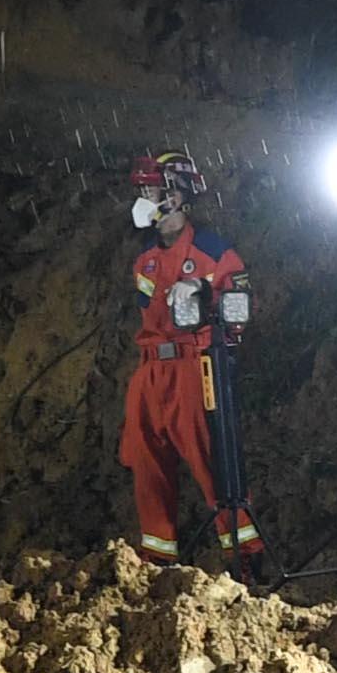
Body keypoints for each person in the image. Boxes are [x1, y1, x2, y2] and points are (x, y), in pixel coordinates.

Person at [115, 151, 251, 566]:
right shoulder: (145, 260)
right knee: (146, 463)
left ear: (176, 196)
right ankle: (157, 560)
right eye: (143, 189)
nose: (145, 196)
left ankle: (245, 557)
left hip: (196, 366)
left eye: (152, 188)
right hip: (151, 370)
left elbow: (239, 314)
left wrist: (204, 291)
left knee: (213, 461)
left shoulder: (214, 253)